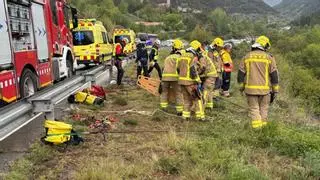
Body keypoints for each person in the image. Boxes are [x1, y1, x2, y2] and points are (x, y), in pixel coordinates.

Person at [238, 35, 279, 129]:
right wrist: (275, 90)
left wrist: (241, 88)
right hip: (265, 91)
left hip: (250, 90)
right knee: (264, 109)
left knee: (254, 109)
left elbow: (240, 74)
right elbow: (274, 75)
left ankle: (257, 130)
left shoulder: (246, 57)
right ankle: (264, 129)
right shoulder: (269, 58)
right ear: (264, 46)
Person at [178, 40, 204, 121]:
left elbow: (178, 68)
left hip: (181, 82)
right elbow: (193, 69)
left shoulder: (182, 55)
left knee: (186, 100)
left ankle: (185, 116)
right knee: (198, 98)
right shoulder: (193, 56)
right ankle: (200, 117)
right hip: (190, 82)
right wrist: (197, 80)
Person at [160, 39, 184, 115]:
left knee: (164, 92)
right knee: (178, 93)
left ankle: (163, 108)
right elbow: (180, 68)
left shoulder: (168, 57)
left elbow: (163, 68)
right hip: (175, 78)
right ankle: (179, 111)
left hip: (165, 78)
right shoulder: (179, 57)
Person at [199, 43, 218, 110]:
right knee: (209, 91)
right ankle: (209, 106)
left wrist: (198, 74)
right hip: (212, 75)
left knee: (205, 91)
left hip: (210, 76)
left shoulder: (202, 57)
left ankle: (202, 108)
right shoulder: (204, 55)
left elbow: (202, 68)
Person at [208, 37, 224, 103]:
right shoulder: (210, 52)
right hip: (213, 72)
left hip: (218, 71)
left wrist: (220, 68)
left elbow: (219, 61)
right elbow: (210, 62)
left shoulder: (216, 52)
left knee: (218, 84)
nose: (220, 48)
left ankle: (216, 97)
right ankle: (212, 98)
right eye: (219, 47)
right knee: (212, 85)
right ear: (215, 45)